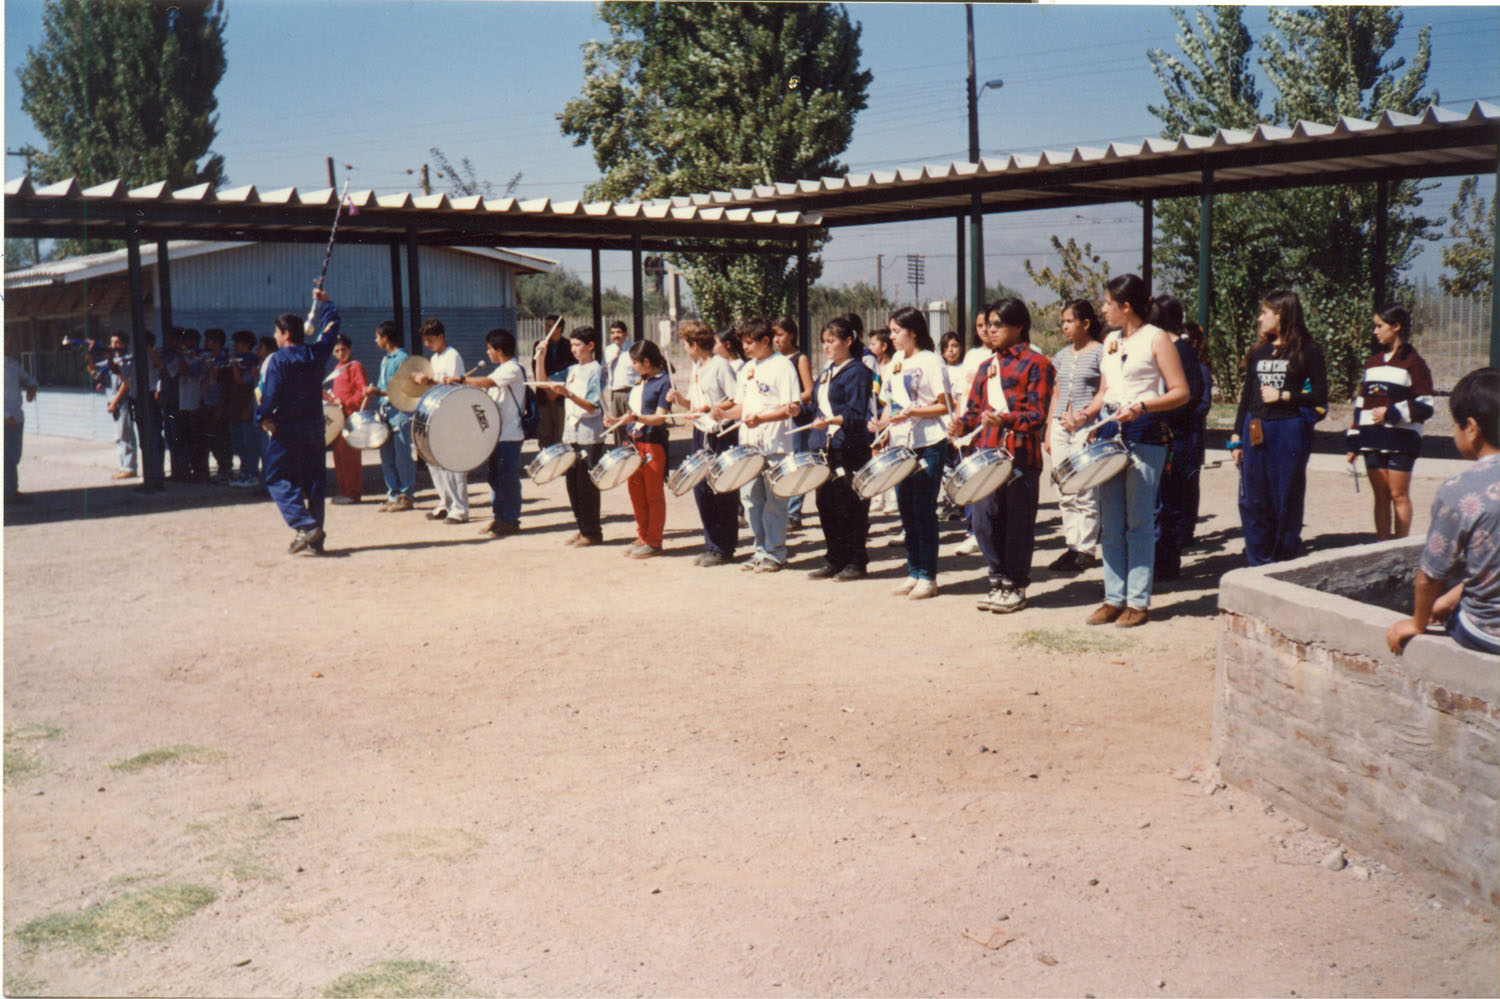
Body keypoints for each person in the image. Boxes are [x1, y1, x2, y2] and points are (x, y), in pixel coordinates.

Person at [1071, 273, 1190, 627]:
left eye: (1108, 303)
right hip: (1109, 434)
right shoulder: (1109, 340)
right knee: (1110, 522)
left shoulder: (1156, 339)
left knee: (1138, 522)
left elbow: (1180, 391)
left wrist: (1142, 407)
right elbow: (1106, 391)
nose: (1103, 308)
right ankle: (1113, 597)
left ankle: (1137, 602)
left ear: (1126, 306)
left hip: (1144, 433)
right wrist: (1085, 414)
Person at [1387, 367, 1500, 656]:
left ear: (1472, 429)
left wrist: (1418, 621)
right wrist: (1451, 597)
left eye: (1455, 425)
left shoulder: (1460, 490)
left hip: (1486, 632)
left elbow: (1430, 575)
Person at [951, 298, 1055, 613]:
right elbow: (973, 411)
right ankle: (996, 578)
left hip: (1020, 455)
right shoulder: (986, 366)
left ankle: (1015, 585)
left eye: (997, 325)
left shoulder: (1038, 364)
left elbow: (1037, 414)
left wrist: (1006, 419)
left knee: (1017, 525)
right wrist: (961, 425)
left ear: (1018, 326)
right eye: (987, 325)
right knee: (983, 521)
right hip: (987, 452)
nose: (990, 331)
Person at [1229, 288, 1328, 566]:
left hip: (1289, 429)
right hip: (1256, 428)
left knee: (1285, 496)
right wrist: (1237, 435)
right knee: (1253, 499)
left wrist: (1285, 396)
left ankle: (1285, 557)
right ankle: (1258, 560)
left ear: (1281, 314)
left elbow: (1320, 397)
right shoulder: (1260, 351)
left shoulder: (1308, 351)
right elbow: (1248, 396)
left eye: (1265, 313)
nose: (1260, 319)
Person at [711, 317, 801, 572]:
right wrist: (723, 414)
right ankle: (760, 550)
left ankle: (776, 553)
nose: (746, 348)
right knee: (751, 499)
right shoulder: (747, 369)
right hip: (749, 446)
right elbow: (741, 406)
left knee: (775, 501)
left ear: (765, 340)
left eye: (750, 343)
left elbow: (789, 408)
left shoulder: (783, 366)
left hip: (776, 445)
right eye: (743, 343)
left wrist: (762, 418)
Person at [257, 289, 341, 554]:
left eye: (276, 333)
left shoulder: (278, 360)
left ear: (286, 334)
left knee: (276, 476)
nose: (274, 337)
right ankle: (315, 540)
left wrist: (263, 418)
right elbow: (332, 328)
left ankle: (305, 525)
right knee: (315, 481)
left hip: (287, 429)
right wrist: (327, 303)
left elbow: (270, 396)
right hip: (315, 427)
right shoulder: (317, 353)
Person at [877, 307, 952, 600]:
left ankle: (928, 576)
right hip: (900, 444)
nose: (892, 337)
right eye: (891, 331)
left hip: (929, 441)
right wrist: (883, 422)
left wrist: (914, 411)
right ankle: (913, 571)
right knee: (906, 510)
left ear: (914, 332)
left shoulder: (931, 361)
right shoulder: (895, 361)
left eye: (896, 331)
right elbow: (890, 401)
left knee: (923, 509)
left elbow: (945, 405)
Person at [1347, 303, 1435, 540]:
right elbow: (1361, 402)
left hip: (1401, 440)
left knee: (1399, 495)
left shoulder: (1414, 363)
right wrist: (1354, 438)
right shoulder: (1372, 362)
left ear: (1396, 327)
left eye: (1379, 326)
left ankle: (1401, 548)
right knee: (1381, 495)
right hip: (1372, 438)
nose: (1375, 331)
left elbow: (1426, 406)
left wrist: (1391, 413)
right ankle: (1382, 547)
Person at [808, 316, 876, 579]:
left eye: (831, 341)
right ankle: (834, 558)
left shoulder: (857, 371)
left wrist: (834, 420)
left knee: (851, 504)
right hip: (826, 447)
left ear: (848, 341)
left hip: (849, 447)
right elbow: (816, 406)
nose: (826, 346)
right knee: (826, 503)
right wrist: (799, 410)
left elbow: (857, 412)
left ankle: (856, 560)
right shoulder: (826, 372)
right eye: (824, 341)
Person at [671, 320, 740, 567]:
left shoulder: (721, 366)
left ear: (696, 344)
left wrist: (712, 408)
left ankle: (725, 546)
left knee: (721, 489)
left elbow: (735, 399)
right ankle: (711, 544)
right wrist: (680, 399)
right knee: (701, 489)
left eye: (687, 345)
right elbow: (693, 403)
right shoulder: (697, 367)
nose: (685, 350)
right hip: (701, 433)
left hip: (721, 434)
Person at [1044, 299, 1104, 573]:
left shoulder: (1101, 353)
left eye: (1070, 321)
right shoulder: (1062, 355)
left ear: (1086, 323)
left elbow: (1107, 390)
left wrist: (1090, 418)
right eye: (1064, 321)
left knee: (1085, 489)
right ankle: (1072, 545)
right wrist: (1049, 429)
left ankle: (1086, 548)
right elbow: (1056, 393)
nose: (1065, 326)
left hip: (1084, 427)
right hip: (1060, 426)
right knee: (1064, 486)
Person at [1149, 294, 1206, 581]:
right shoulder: (1157, 346)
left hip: (1175, 434)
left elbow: (1190, 394)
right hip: (1158, 431)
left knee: (1170, 500)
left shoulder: (1181, 349)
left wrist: (1161, 412)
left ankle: (1167, 561)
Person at [448, 327, 526, 538]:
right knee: (495, 478)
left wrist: (461, 380)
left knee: (507, 478)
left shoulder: (513, 368)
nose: (487, 353)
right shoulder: (501, 368)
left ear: (499, 350)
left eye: (489, 349)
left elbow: (488, 383)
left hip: (509, 435)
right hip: (496, 435)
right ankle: (499, 517)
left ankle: (510, 519)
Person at [539, 326, 605, 546]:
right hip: (571, 435)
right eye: (572, 345)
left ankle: (593, 532)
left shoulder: (596, 370)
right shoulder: (572, 370)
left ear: (591, 346)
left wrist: (568, 394)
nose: (574, 349)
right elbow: (544, 382)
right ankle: (582, 528)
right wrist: (541, 357)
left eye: (577, 345)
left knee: (587, 486)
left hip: (589, 435)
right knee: (573, 485)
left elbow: (592, 406)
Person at [610, 339, 673, 558]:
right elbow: (633, 412)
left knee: (653, 495)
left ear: (646, 361)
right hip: (633, 442)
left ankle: (654, 541)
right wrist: (618, 420)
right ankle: (642, 536)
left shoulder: (665, 381)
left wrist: (636, 417)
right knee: (636, 493)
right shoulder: (640, 381)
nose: (633, 367)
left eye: (635, 363)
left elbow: (659, 417)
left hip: (653, 443)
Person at [413, 318, 470, 524]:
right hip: (436, 414)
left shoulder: (452, 355)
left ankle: (460, 509)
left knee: (452, 462)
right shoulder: (436, 359)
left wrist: (429, 380)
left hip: (453, 413)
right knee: (434, 461)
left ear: (441, 337)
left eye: (430, 340)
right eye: (425, 341)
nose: (427, 345)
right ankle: (445, 502)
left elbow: (454, 385)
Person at [363, 320, 417, 512]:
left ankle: (406, 495)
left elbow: (403, 388)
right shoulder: (386, 360)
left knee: (402, 454)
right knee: (387, 455)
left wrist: (379, 392)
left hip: (400, 412)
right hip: (385, 411)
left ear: (385, 338)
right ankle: (393, 494)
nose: (375, 340)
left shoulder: (403, 359)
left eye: (377, 336)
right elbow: (383, 385)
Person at [773, 316, 815, 529]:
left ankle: (794, 512)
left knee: (798, 462)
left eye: (780, 334)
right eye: (774, 335)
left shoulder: (800, 358)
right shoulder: (773, 360)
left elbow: (809, 390)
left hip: (796, 418)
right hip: (777, 418)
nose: (776, 339)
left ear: (792, 335)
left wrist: (792, 400)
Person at [323, 333, 368, 504]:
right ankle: (344, 490)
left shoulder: (355, 366)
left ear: (350, 349)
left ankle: (353, 493)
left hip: (350, 418)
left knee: (350, 457)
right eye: (337, 351)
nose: (340, 353)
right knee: (339, 456)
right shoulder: (337, 369)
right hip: (339, 418)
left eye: (343, 350)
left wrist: (346, 402)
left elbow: (362, 393)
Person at [87, 332, 138, 481]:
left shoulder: (129, 360)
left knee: (125, 435)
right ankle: (124, 466)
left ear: (124, 344)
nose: (113, 346)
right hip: (113, 402)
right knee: (119, 437)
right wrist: (89, 354)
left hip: (123, 401)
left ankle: (130, 467)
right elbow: (94, 372)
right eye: (111, 343)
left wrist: (114, 402)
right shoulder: (111, 360)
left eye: (117, 343)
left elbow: (126, 384)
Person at [1181, 320, 1213, 543]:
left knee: (1190, 482)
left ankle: (1187, 529)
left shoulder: (1201, 370)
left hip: (1192, 434)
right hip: (1178, 433)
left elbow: (1204, 403)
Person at [866, 328, 898, 515]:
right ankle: (879, 495)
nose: (870, 348)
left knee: (890, 456)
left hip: (890, 416)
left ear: (884, 346)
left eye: (874, 344)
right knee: (876, 455)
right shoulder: (874, 367)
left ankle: (893, 497)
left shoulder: (893, 366)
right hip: (876, 416)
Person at [224, 330, 261, 487]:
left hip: (246, 408)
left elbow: (243, 382)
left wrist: (234, 366)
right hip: (235, 408)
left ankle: (251, 474)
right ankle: (245, 472)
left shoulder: (253, 363)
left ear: (246, 345)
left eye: (237, 344)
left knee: (249, 443)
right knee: (238, 443)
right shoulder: (241, 361)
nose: (235, 347)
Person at [533, 314, 571, 448]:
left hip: (561, 395)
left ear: (559, 328)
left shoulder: (569, 345)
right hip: (544, 394)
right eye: (546, 325)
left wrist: (557, 391)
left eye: (551, 326)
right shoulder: (539, 345)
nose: (547, 328)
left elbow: (570, 371)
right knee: (545, 431)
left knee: (560, 430)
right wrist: (547, 390)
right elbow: (536, 369)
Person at [200, 328, 233, 483]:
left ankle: (226, 469)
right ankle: (222, 467)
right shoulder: (205, 358)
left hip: (218, 404)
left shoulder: (223, 360)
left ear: (217, 343)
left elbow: (225, 384)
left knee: (222, 439)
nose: (205, 344)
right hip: (207, 402)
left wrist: (222, 406)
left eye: (208, 341)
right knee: (212, 439)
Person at [5, 353, 39, 502]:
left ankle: (10, 490)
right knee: (6, 457)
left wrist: (31, 386)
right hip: (6, 418)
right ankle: (9, 493)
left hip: (16, 415)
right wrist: (5, 415)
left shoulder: (11, 362)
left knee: (14, 455)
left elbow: (27, 378)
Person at [602, 320, 638, 445]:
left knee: (632, 424)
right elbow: (603, 369)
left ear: (625, 333)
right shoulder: (608, 350)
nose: (615, 335)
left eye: (618, 332)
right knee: (617, 426)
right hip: (615, 393)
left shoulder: (633, 348)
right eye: (612, 333)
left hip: (631, 391)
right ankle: (619, 452)